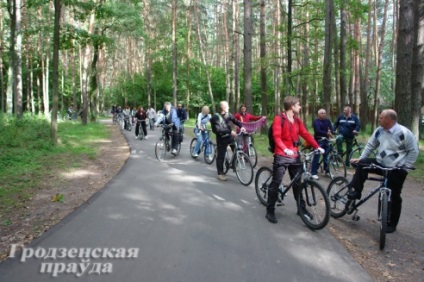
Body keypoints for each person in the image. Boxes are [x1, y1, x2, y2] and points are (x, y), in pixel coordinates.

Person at [348, 109, 419, 233]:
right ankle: (356, 191)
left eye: (381, 117)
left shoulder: (404, 132)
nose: (378, 119)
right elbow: (370, 145)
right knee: (363, 164)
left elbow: (413, 151)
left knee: (395, 195)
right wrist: (361, 158)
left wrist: (406, 167)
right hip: (380, 163)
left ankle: (392, 224)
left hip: (397, 168)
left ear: (389, 120)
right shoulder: (379, 130)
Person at [265, 96, 324, 224]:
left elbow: (305, 134)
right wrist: (284, 149)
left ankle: (301, 209)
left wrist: (317, 146)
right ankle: (270, 210)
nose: (300, 106)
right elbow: (276, 136)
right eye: (298, 104)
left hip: (294, 155)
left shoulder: (297, 120)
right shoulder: (278, 119)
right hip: (282, 155)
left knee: (297, 183)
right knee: (276, 182)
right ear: (292, 106)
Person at [210, 101, 246, 181]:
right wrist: (230, 132)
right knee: (221, 156)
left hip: (229, 137)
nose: (228, 108)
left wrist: (241, 126)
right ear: (222, 107)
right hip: (221, 138)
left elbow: (235, 121)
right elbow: (218, 129)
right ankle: (220, 173)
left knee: (236, 148)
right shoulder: (215, 117)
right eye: (227, 106)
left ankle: (233, 164)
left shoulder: (228, 114)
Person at [310, 109, 334, 180]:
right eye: (322, 113)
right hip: (318, 141)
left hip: (326, 140)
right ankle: (313, 173)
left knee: (327, 156)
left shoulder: (328, 121)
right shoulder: (316, 121)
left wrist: (331, 132)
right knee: (317, 157)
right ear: (318, 114)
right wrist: (326, 133)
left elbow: (331, 128)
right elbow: (317, 131)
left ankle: (327, 171)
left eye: (324, 113)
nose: (324, 114)